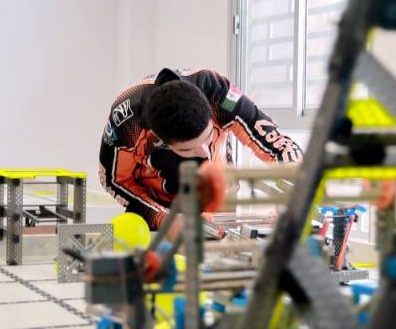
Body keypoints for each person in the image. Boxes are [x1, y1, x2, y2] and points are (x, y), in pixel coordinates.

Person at [99, 68, 302, 229]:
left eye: (207, 138)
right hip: (160, 204)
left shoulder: (217, 93)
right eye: (188, 150)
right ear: (161, 139)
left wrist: (297, 185)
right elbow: (114, 180)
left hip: (220, 198)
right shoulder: (127, 120)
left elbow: (274, 141)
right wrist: (163, 219)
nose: (204, 153)